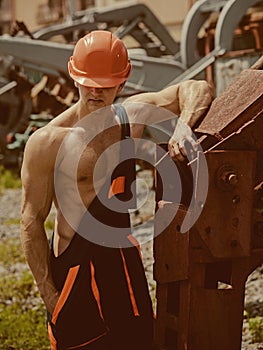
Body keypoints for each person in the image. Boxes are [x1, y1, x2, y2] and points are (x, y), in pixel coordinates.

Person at [20, 30, 212, 350]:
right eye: (88, 82)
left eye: (106, 84)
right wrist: (51, 299)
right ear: (74, 76)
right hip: (75, 272)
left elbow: (197, 88)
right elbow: (30, 222)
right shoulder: (47, 142)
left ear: (122, 83)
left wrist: (183, 125)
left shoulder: (130, 118)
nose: (96, 91)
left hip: (123, 267)